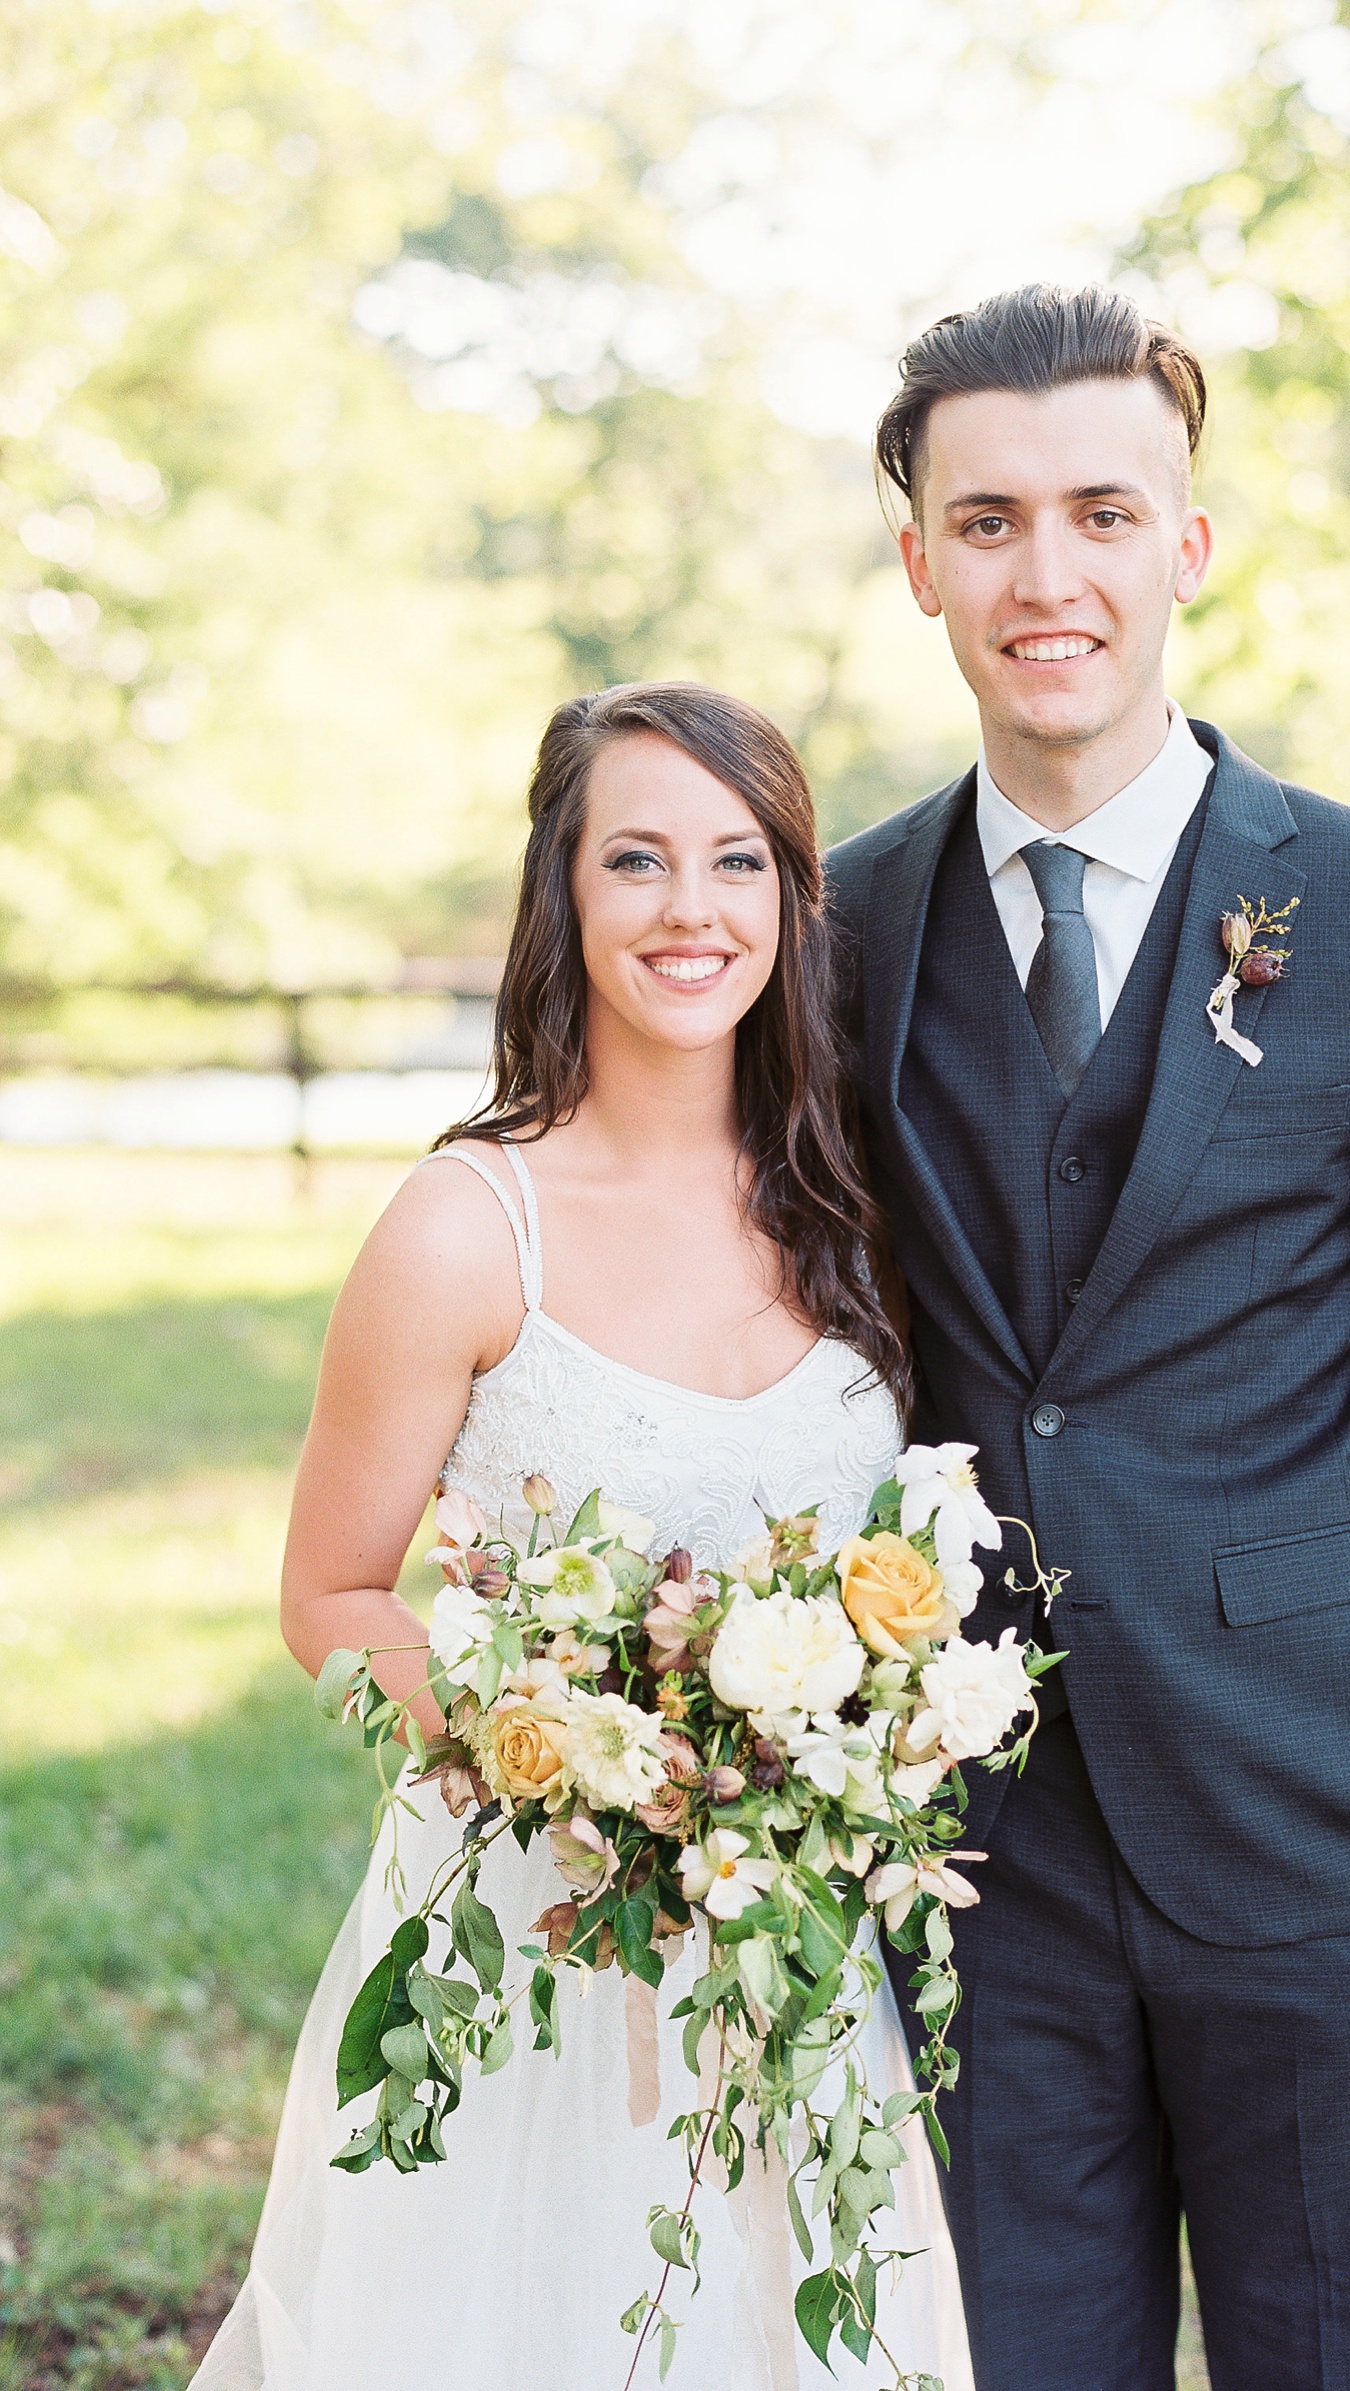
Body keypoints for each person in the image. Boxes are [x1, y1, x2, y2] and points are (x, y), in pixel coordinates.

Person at [827, 284, 1350, 2391]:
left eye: (1099, 512)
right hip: (980, 1841)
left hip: (1321, 1802)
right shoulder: (843, 924)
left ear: (1185, 545)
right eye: (987, 523)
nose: (1046, 573)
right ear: (920, 565)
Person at [191, 683, 973, 2391]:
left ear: (790, 900)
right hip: (533, 1941)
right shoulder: (470, 1226)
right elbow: (327, 1590)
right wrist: (571, 1750)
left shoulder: (846, 1208)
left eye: (737, 862)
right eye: (638, 860)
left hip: (787, 1945)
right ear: (564, 892)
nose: (692, 910)